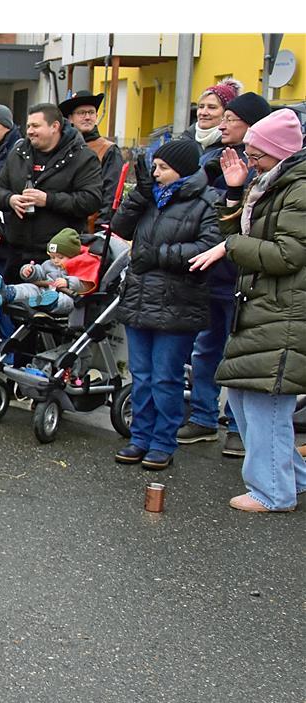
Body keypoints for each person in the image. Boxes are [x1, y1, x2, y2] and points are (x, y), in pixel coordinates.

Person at [189, 109, 306, 511]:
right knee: (241, 397)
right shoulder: (272, 184)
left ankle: (273, 493)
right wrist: (236, 192)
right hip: (263, 306)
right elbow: (237, 236)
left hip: (285, 310)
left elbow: (289, 254)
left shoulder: (299, 188)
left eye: (256, 156)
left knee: (265, 402)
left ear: (280, 152)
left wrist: (231, 247)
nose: (249, 162)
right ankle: (295, 480)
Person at [110, 138, 221, 471]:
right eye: (154, 166)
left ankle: (163, 442)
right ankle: (139, 438)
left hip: (178, 303)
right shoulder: (151, 198)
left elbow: (208, 247)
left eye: (162, 168)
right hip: (140, 299)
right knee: (141, 376)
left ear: (182, 170)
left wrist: (158, 255)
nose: (156, 173)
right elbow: (119, 227)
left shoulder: (205, 201)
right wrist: (140, 194)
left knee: (165, 378)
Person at [182, 92, 271, 456]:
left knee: (239, 355)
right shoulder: (213, 161)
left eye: (230, 117)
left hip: (246, 277)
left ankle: (236, 427)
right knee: (206, 348)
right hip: (213, 274)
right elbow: (213, 215)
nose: (222, 124)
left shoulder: (266, 170)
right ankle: (203, 418)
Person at [0, 103, 103, 283]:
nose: (29, 131)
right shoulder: (19, 152)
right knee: (14, 304)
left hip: (58, 257)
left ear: (54, 127)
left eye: (36, 126)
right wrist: (10, 199)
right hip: (17, 251)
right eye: (28, 126)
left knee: (47, 309)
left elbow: (91, 200)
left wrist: (48, 200)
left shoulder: (82, 157)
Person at [0, 227, 99, 315]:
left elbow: (84, 285)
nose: (55, 261)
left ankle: (49, 303)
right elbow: (39, 273)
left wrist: (68, 282)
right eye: (52, 257)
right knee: (30, 288)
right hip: (45, 290)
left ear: (72, 256)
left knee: (66, 301)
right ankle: (8, 293)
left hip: (67, 295)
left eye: (60, 257)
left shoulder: (78, 266)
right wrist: (30, 271)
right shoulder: (49, 264)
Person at [59, 90, 123, 226]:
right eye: (81, 113)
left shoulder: (108, 149)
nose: (87, 117)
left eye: (91, 112)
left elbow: (110, 194)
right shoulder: (61, 147)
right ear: (70, 118)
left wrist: (101, 227)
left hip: (91, 226)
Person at [182, 78, 242, 151]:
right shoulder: (185, 140)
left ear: (226, 113)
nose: (203, 113)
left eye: (212, 107)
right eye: (201, 107)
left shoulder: (234, 145)